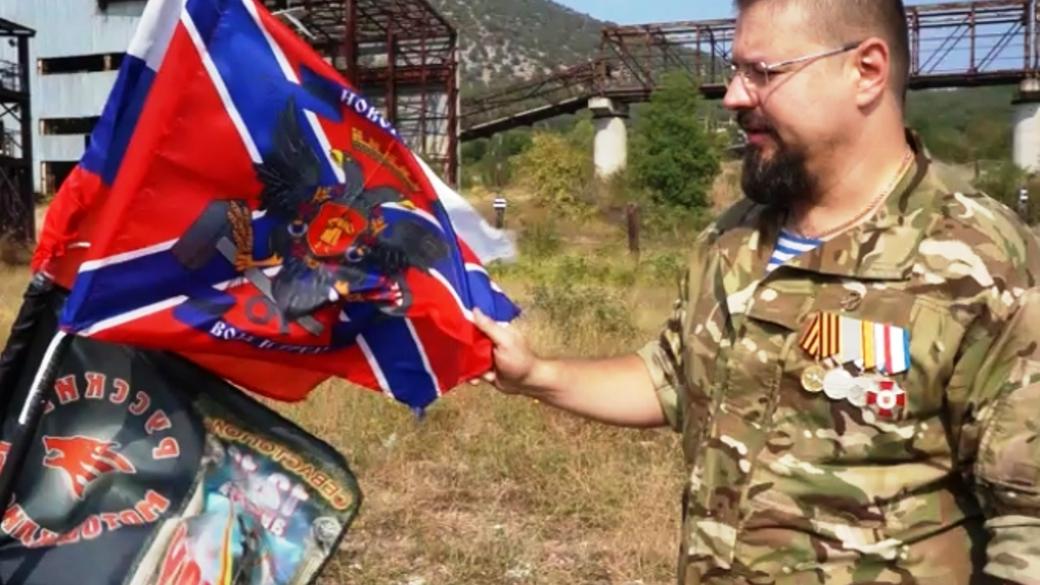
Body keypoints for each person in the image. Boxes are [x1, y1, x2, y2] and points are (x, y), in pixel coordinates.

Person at [472, 0, 1040, 583]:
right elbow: (672, 376)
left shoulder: (984, 262)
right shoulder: (735, 235)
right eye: (736, 70)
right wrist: (537, 375)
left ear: (866, 71)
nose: (733, 96)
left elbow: (1028, 525)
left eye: (763, 72)